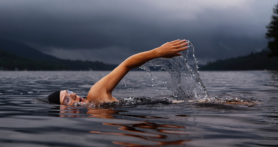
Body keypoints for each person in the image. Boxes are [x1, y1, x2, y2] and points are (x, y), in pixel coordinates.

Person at [47, 39, 189, 106]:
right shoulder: (93, 120)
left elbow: (126, 65)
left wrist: (157, 52)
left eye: (69, 91)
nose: (73, 95)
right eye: (66, 99)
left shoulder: (95, 94)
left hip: (179, 105)